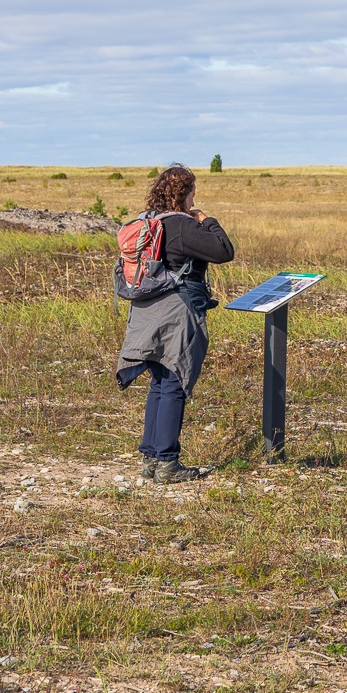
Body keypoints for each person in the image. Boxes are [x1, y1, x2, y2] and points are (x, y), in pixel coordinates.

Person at [114, 165, 234, 484]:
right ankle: (167, 463)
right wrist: (207, 220)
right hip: (176, 312)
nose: (195, 198)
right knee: (174, 381)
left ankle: (151, 460)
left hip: (146, 310)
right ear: (184, 194)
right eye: (193, 193)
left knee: (159, 381)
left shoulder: (150, 220)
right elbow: (223, 251)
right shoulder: (182, 225)